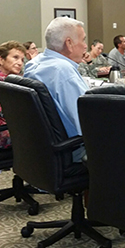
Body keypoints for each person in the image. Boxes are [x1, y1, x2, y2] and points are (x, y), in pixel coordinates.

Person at [24, 17, 88, 163]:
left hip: (40, 150)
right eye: (83, 40)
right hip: (72, 151)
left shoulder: (34, 64)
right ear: (69, 43)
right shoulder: (63, 72)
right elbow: (86, 124)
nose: (85, 46)